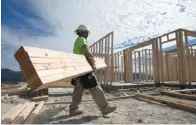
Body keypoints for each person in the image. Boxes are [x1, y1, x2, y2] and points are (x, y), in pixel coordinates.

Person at [69, 25, 117, 116]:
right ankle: (105, 108)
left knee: (78, 89)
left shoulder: (76, 42)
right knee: (95, 87)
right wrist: (93, 64)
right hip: (84, 68)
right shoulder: (82, 39)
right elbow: (87, 52)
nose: (87, 34)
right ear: (82, 32)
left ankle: (73, 109)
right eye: (86, 32)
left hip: (78, 69)